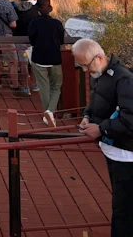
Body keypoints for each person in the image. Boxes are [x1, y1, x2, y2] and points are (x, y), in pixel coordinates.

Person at [74, 39, 133, 237]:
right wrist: (87, 116)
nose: (85, 71)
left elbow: (130, 120)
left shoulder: (124, 79)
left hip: (125, 154)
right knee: (121, 205)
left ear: (99, 57)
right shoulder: (98, 74)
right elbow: (96, 101)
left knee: (124, 210)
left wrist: (100, 129)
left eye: (86, 65)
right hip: (112, 149)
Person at [28, 0, 65, 127]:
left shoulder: (33, 23)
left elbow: (32, 41)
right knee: (56, 87)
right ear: (49, 9)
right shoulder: (57, 23)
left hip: (39, 59)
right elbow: (61, 40)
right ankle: (50, 111)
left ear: (38, 9)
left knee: (44, 87)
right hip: (55, 59)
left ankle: (48, 113)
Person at [13, 0, 40, 95]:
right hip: (32, 39)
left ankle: (25, 86)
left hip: (19, 38)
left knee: (23, 63)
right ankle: (35, 84)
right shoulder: (34, 10)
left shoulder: (15, 9)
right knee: (33, 62)